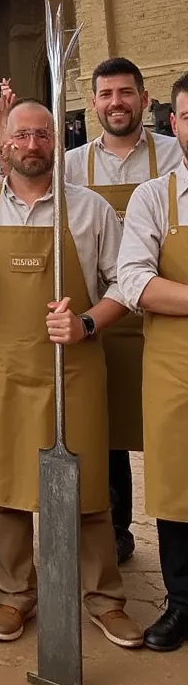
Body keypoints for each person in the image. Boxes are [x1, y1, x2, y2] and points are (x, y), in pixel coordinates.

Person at [0, 101, 143, 648]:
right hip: (1, 368)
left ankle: (104, 598)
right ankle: (16, 593)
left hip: (75, 365)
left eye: (43, 134)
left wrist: (86, 322)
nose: (33, 145)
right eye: (23, 135)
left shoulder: (88, 210)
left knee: (87, 485)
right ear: (4, 142)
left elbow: (125, 285)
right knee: (5, 484)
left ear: (57, 141)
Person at [65, 57, 181, 565]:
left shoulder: (176, 155)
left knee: (167, 435)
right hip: (103, 316)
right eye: (106, 94)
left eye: (126, 93)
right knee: (106, 429)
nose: (116, 102)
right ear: (93, 103)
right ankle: (116, 529)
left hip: (165, 321)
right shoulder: (73, 165)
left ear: (143, 96)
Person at [118, 72, 188, 651]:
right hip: (174, 364)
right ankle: (182, 600)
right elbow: (136, 281)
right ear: (174, 123)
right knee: (174, 482)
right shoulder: (153, 198)